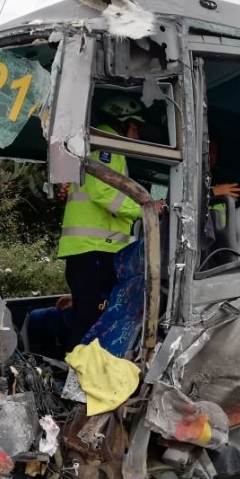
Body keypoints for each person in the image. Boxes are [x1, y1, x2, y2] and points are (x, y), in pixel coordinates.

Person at [57, 94, 165, 346]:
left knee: (92, 316)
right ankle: (80, 377)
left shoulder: (101, 145)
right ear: (122, 122)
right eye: (135, 126)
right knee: (90, 318)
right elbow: (103, 191)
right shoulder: (107, 145)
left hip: (93, 250)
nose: (136, 134)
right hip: (94, 250)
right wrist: (145, 210)